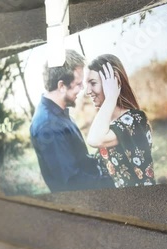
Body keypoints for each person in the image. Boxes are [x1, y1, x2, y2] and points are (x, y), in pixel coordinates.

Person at [30, 50, 114, 193]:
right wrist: (112, 181)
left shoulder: (59, 113)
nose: (84, 90)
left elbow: (79, 161)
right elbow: (72, 182)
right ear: (62, 86)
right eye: (79, 84)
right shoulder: (48, 125)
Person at [86, 54, 155, 188]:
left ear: (114, 82)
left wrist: (111, 96)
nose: (88, 91)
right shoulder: (108, 123)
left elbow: (94, 140)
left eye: (93, 83)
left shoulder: (135, 119)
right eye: (86, 85)